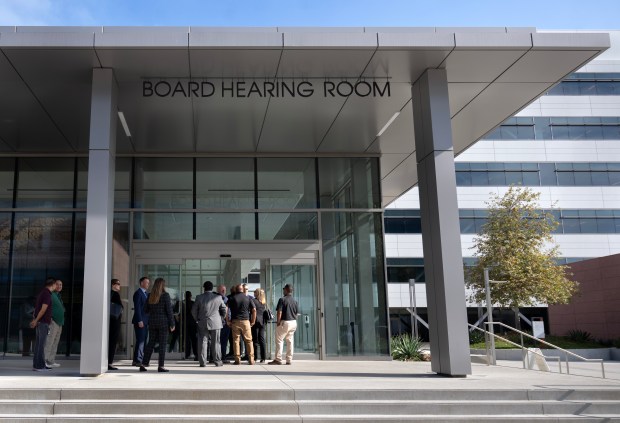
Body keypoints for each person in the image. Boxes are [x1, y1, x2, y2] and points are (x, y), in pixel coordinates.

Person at [140, 277, 175, 373]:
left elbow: (146, 310)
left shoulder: (150, 295)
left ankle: (143, 363)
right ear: (163, 285)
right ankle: (161, 366)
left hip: (152, 322)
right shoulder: (165, 295)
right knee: (163, 344)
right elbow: (169, 311)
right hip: (163, 323)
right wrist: (172, 323)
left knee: (150, 343)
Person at [192, 281, 226, 367]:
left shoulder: (199, 297)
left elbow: (193, 311)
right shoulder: (218, 297)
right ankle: (217, 361)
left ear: (204, 288)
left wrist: (197, 319)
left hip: (202, 322)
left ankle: (203, 362)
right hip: (216, 323)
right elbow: (224, 309)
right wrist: (221, 318)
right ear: (212, 288)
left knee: (202, 342)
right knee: (216, 342)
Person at [30, 277, 57, 371]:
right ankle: (38, 366)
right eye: (55, 285)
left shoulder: (42, 293)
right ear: (52, 285)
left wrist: (35, 320)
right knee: (41, 345)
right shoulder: (47, 294)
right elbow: (43, 309)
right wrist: (36, 320)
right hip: (43, 322)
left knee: (39, 344)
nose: (55, 286)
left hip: (40, 322)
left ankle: (39, 364)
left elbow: (37, 309)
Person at [268, 284, 299, 366]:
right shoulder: (295, 301)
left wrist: (278, 322)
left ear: (286, 290)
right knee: (290, 341)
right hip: (293, 322)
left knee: (279, 340)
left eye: (283, 289)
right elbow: (297, 313)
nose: (283, 291)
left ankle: (278, 359)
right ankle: (289, 360)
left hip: (285, 322)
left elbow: (279, 312)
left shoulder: (282, 299)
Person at [226, 283, 256, 365]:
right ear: (242, 289)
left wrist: (227, 320)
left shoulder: (232, 298)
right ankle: (251, 359)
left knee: (236, 341)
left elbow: (227, 309)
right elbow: (254, 310)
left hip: (235, 321)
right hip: (246, 321)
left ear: (236, 290)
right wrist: (253, 321)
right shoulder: (248, 298)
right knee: (249, 340)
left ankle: (237, 359)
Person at [44, 279, 65, 368]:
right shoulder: (51, 294)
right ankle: (44, 361)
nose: (59, 286)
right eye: (57, 284)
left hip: (60, 322)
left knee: (55, 342)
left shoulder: (58, 295)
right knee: (49, 342)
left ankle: (51, 361)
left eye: (61, 285)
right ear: (53, 285)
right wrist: (50, 319)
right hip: (53, 322)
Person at [131, 276, 150, 366]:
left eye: (148, 283)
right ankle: (138, 360)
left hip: (145, 321)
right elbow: (137, 308)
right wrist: (139, 320)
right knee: (141, 340)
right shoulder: (138, 293)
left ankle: (137, 359)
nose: (148, 284)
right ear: (141, 283)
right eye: (146, 282)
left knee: (143, 340)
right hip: (140, 321)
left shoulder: (146, 294)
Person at [108, 278, 123, 370]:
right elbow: (119, 307)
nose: (119, 285)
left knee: (110, 341)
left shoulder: (108, 293)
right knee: (113, 341)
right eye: (117, 284)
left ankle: (108, 361)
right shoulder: (115, 294)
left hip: (110, 320)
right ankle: (110, 362)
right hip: (115, 321)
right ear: (113, 285)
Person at [251, 288, 267, 363]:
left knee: (255, 340)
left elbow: (252, 310)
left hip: (256, 321)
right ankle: (263, 358)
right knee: (262, 339)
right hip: (263, 322)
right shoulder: (263, 302)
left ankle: (255, 357)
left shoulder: (254, 301)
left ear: (256, 293)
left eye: (254, 292)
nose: (253, 293)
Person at [217, 284, 230, 361]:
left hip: (225, 323)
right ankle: (221, 357)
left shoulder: (227, 299)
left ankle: (222, 356)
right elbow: (226, 311)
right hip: (221, 323)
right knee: (220, 341)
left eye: (224, 290)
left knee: (223, 341)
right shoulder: (223, 299)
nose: (223, 291)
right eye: (222, 290)